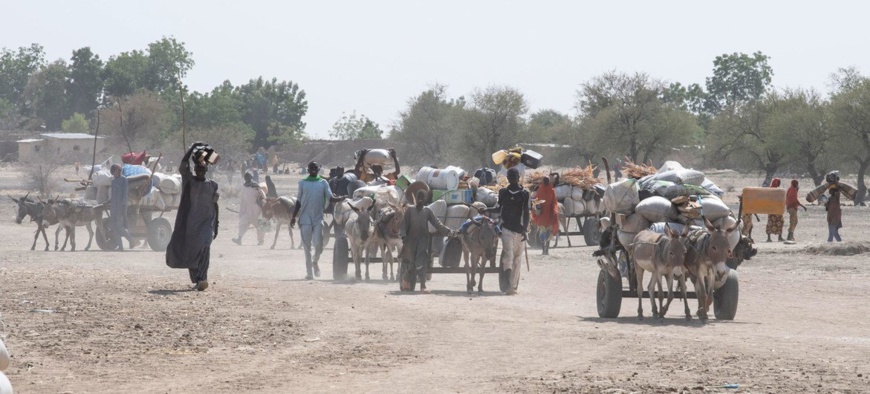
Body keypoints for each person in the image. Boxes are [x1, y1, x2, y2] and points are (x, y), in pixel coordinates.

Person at [166, 142, 220, 291]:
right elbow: (183, 166)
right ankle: (197, 279)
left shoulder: (212, 185)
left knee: (204, 246)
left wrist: (217, 225)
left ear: (206, 169)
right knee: (192, 251)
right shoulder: (190, 181)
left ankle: (203, 278)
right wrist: (192, 148)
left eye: (203, 168)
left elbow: (215, 205)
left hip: (207, 224)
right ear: (195, 169)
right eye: (198, 168)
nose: (200, 170)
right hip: (191, 224)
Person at [291, 162, 343, 280]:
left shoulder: (323, 183)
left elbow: (330, 197)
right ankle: (309, 272)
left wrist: (340, 198)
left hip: (318, 217)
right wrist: (294, 217)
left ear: (318, 169)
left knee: (319, 245)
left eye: (315, 168)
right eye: (311, 168)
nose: (313, 169)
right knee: (306, 246)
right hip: (305, 218)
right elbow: (298, 201)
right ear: (308, 170)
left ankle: (315, 262)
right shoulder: (302, 183)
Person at [400, 189, 454, 293]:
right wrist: (403, 236)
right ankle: (405, 280)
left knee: (422, 263)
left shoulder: (427, 211)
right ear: (416, 198)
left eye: (422, 198)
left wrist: (448, 232)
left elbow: (437, 223)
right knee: (412, 264)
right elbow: (404, 225)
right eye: (419, 197)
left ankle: (423, 287)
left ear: (425, 200)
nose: (420, 200)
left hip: (423, 240)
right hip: (410, 241)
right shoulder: (410, 210)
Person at [498, 167, 530, 295]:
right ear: (507, 178)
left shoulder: (525, 194)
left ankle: (514, 283)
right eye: (509, 176)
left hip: (519, 230)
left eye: (513, 176)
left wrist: (525, 229)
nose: (511, 178)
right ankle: (509, 286)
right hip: (506, 229)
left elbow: (527, 212)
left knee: (517, 259)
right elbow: (499, 208)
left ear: (518, 178)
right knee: (508, 256)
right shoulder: (503, 192)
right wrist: (485, 211)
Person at [232, 171, 266, 246]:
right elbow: (243, 199)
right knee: (242, 223)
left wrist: (261, 203)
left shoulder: (256, 186)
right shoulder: (244, 186)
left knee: (260, 225)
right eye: (246, 177)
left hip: (256, 209)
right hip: (246, 210)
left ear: (251, 177)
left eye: (248, 177)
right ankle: (239, 239)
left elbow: (263, 196)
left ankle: (261, 241)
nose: (247, 178)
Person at [532, 176, 558, 255]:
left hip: (542, 216)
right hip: (549, 216)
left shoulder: (540, 190)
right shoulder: (552, 190)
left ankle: (543, 250)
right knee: (548, 233)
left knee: (542, 233)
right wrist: (554, 211)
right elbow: (554, 202)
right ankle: (547, 250)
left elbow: (536, 202)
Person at [109, 164, 133, 251]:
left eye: (117, 170)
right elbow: (112, 195)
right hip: (113, 208)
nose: (116, 172)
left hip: (121, 207)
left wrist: (123, 207)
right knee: (113, 226)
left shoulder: (124, 180)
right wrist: (108, 202)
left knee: (118, 226)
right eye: (115, 171)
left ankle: (131, 240)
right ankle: (120, 246)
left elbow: (124, 194)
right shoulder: (113, 181)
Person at [766, 178, 785, 242]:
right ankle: (769, 238)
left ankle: (779, 237)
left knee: (780, 222)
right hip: (772, 209)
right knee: (771, 223)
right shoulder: (771, 190)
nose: (779, 184)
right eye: (778, 182)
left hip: (777, 209)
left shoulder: (778, 190)